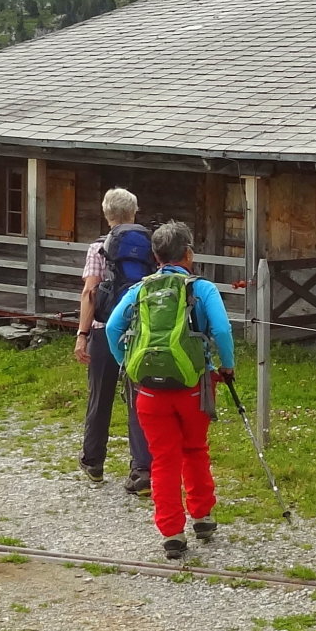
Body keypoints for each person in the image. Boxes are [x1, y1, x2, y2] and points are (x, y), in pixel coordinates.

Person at [106, 220, 235, 561]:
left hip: (149, 391)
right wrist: (227, 365)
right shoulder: (202, 289)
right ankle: (202, 517)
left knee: (163, 460)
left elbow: (112, 328)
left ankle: (172, 534)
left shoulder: (139, 290)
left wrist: (128, 365)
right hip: (193, 386)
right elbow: (222, 330)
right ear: (188, 253)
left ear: (156, 256)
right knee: (195, 450)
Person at [75, 188, 157, 490]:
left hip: (103, 329)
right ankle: (141, 470)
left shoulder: (98, 247)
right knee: (138, 397)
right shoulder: (151, 245)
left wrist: (82, 334)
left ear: (106, 214)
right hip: (140, 331)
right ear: (134, 213)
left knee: (100, 396)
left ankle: (93, 461)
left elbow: (90, 292)